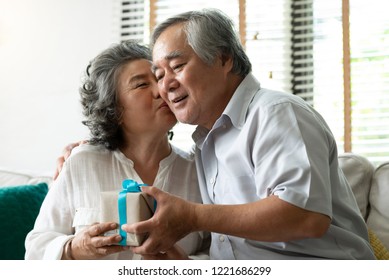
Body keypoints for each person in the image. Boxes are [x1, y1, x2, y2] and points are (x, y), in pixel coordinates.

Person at [120, 9, 375, 259]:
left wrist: (193, 217)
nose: (165, 85)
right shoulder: (205, 141)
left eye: (177, 66)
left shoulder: (276, 113)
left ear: (223, 59)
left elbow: (306, 217)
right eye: (159, 75)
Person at [24, 41, 209, 260]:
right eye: (141, 85)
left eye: (158, 78)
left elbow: (222, 251)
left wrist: (186, 265)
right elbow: (36, 249)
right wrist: (75, 248)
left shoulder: (199, 169)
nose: (161, 89)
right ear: (112, 108)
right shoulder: (81, 162)